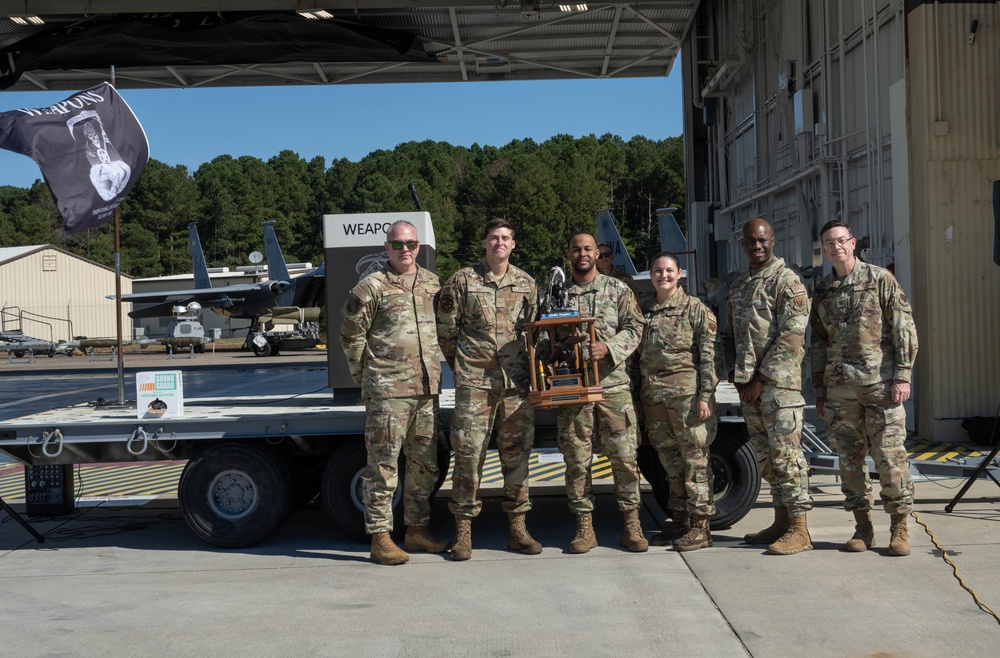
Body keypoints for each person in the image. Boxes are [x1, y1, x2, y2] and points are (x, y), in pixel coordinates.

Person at [340, 220, 450, 565]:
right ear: (387, 248)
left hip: (426, 390)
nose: (406, 250)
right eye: (398, 244)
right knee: (383, 467)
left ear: (419, 247)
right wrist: (369, 378)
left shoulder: (433, 284)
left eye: (411, 244)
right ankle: (381, 537)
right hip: (388, 392)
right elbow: (350, 335)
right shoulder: (372, 286)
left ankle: (417, 530)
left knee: (425, 466)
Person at [810, 220, 918, 556]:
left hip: (879, 385)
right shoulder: (823, 290)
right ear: (825, 250)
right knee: (849, 460)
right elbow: (818, 342)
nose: (836, 247)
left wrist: (903, 374)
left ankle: (899, 527)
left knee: (889, 457)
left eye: (841, 240)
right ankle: (863, 526)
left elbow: (903, 327)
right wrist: (820, 390)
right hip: (840, 390)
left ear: (853, 243)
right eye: (829, 243)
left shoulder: (879, 279)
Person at [437, 218, 541, 561]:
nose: (499, 243)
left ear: (513, 244)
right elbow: (446, 332)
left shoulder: (527, 283)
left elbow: (534, 333)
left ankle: (518, 529)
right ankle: (464, 532)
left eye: (505, 238)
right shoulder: (463, 280)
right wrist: (465, 368)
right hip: (475, 385)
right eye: (494, 238)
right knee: (468, 457)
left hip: (515, 386)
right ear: (484, 243)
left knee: (517, 458)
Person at [722, 217, 813, 555]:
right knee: (766, 459)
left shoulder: (787, 282)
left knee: (788, 458)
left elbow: (791, 337)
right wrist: (739, 378)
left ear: (773, 241)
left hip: (779, 388)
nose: (756, 246)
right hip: (750, 388)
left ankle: (800, 530)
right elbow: (730, 336)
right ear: (743, 244)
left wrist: (760, 380)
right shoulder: (740, 286)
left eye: (762, 240)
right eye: (750, 241)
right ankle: (781, 521)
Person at [553, 232, 647, 553]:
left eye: (588, 249)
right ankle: (584, 528)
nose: (582, 254)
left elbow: (636, 327)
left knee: (623, 458)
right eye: (576, 249)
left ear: (598, 254)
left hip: (613, 388)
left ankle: (631, 525)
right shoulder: (557, 296)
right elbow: (545, 338)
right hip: (574, 390)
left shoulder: (618, 289)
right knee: (577, 460)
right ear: (569, 255)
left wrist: (608, 346)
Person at [639, 252, 719, 551]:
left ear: (679, 273)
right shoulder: (645, 310)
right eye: (658, 271)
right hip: (654, 398)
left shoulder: (694, 308)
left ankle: (701, 527)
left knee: (695, 461)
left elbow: (710, 356)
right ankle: (681, 521)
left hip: (686, 398)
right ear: (651, 274)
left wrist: (706, 397)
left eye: (669, 271)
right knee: (670, 463)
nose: (663, 276)